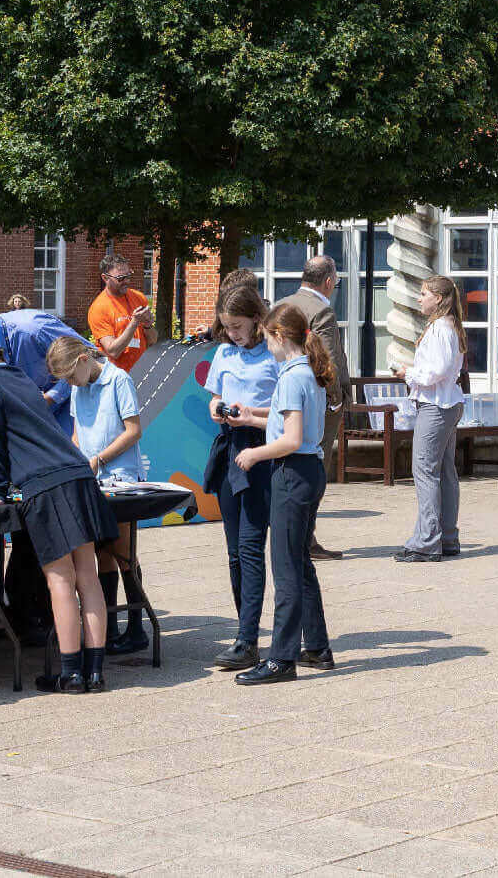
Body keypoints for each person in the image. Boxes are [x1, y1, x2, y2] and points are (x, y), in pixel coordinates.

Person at [0, 321, 118, 693]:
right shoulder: (15, 372)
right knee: (87, 575)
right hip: (78, 473)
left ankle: (70, 673)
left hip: (45, 483)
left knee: (60, 579)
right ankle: (96, 672)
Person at [225, 303, 337, 685]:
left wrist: (254, 453)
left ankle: (282, 658)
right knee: (300, 562)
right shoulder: (306, 370)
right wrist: (251, 417)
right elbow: (286, 422)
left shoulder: (291, 376)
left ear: (277, 336)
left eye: (266, 337)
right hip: (310, 471)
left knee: (286, 568)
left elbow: (290, 440)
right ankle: (318, 646)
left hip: (292, 474)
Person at [47, 337, 148, 656]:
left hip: (120, 476)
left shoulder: (119, 379)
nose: (68, 384)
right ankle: (110, 626)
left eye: (68, 377)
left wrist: (100, 458)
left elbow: (133, 431)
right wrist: (76, 460)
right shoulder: (79, 387)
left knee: (123, 551)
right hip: (92, 476)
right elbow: (78, 433)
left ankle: (136, 626)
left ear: (81, 362)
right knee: (102, 553)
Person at [200, 285, 278, 671]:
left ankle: (247, 638)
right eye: (227, 326)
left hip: (261, 449)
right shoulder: (224, 352)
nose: (232, 332)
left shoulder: (274, 354)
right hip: (230, 446)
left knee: (250, 546)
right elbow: (213, 395)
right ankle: (244, 632)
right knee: (233, 552)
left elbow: (286, 410)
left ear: (256, 319)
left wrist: (251, 412)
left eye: (238, 325)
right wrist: (218, 408)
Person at [276, 256, 351, 560]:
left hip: (286, 395)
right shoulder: (322, 311)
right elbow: (328, 358)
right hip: (317, 399)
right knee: (315, 468)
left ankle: (291, 535)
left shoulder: (282, 304)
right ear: (329, 281)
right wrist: (335, 399)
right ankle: (306, 539)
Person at [392, 276, 468, 563]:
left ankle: (426, 542)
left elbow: (435, 371)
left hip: (436, 405)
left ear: (438, 298)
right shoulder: (450, 326)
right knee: (445, 472)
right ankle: (447, 537)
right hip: (448, 403)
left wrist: (408, 374)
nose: (419, 298)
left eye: (423, 294)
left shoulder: (439, 328)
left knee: (424, 471)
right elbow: (442, 368)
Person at [0, 307, 84, 434]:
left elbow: (84, 358)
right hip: (39, 420)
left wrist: (51, 396)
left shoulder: (33, 329)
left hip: (73, 412)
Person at [88, 254, 156, 372]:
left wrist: (148, 325)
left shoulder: (138, 297)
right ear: (105, 278)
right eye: (120, 278)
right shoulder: (99, 308)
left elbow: (152, 341)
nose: (126, 281)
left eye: (128, 276)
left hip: (142, 371)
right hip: (116, 376)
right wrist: (134, 322)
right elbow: (113, 351)